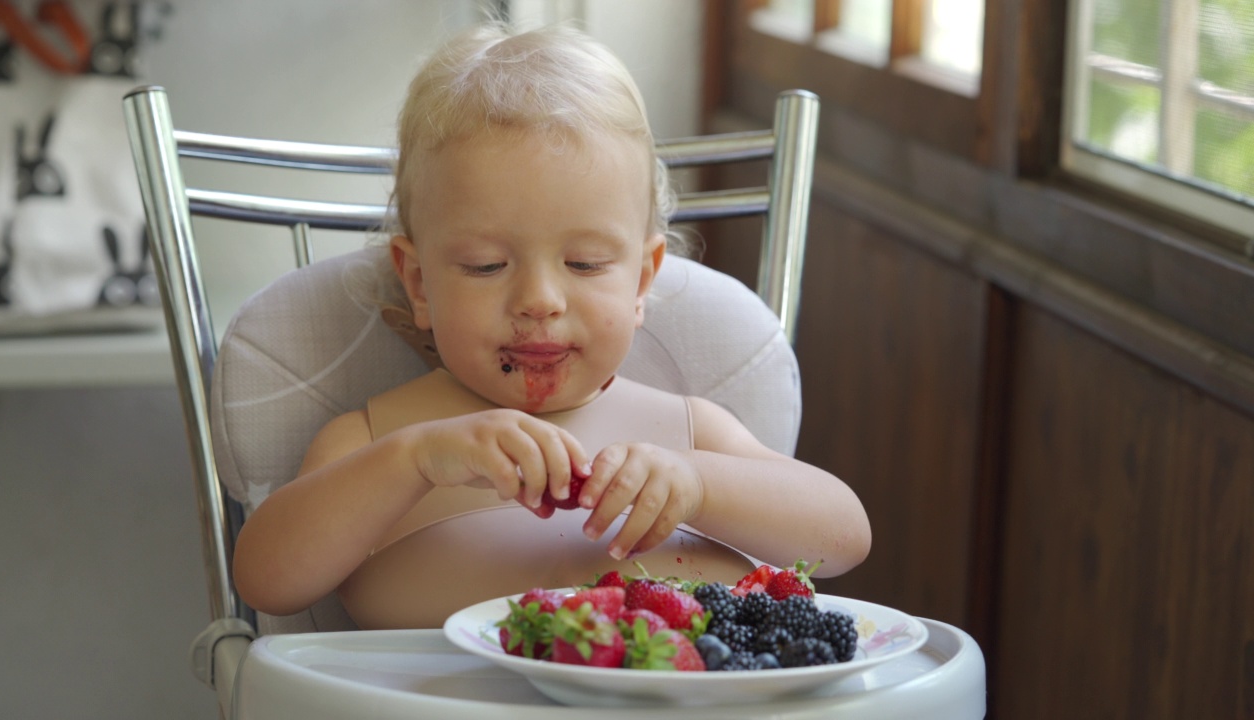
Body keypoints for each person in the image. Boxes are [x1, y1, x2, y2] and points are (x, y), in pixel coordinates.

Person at [231, 23, 870, 629]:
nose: (539, 300)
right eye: (486, 266)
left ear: (643, 280)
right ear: (420, 282)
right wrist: (415, 462)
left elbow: (845, 538)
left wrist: (698, 484)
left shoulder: (689, 433)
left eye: (585, 264)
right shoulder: (378, 441)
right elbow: (265, 581)